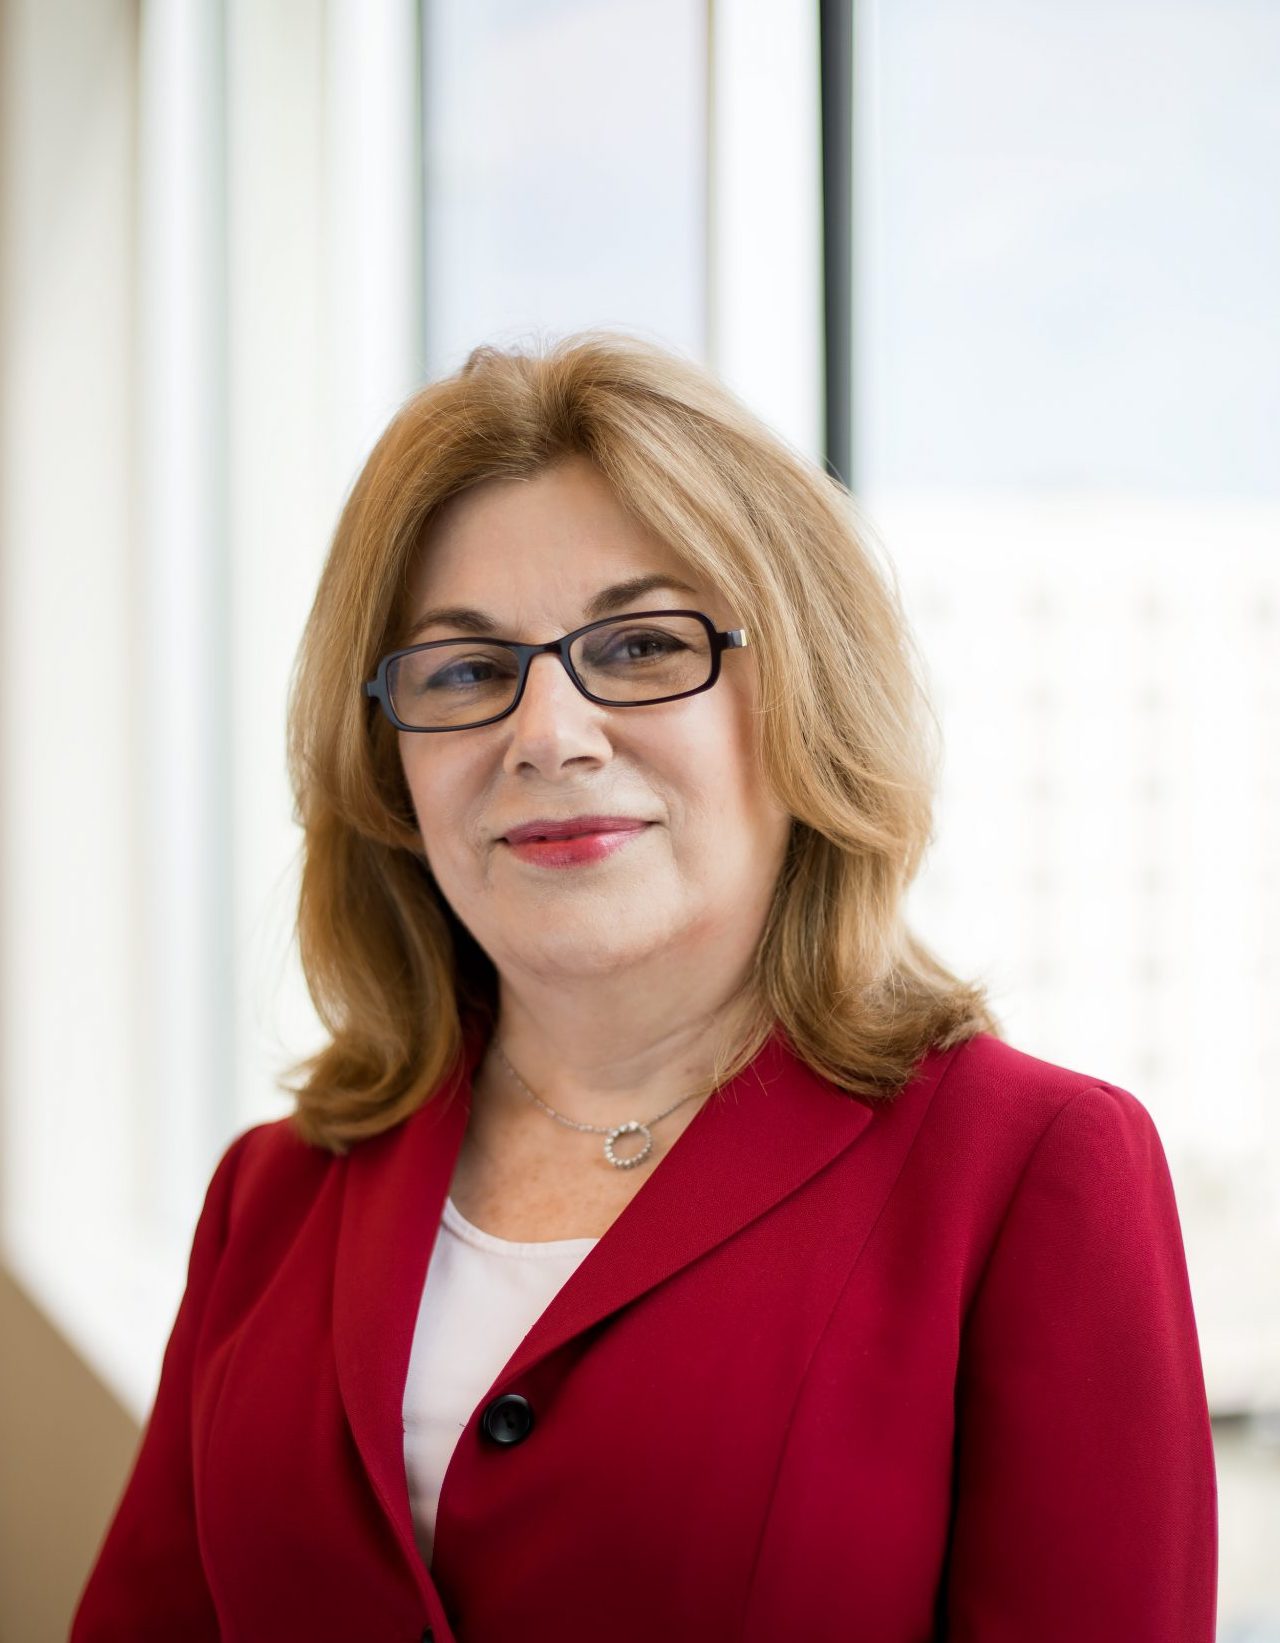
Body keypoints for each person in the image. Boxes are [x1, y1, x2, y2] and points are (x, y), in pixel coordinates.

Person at [70, 330, 1217, 1642]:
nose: (549, 737)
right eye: (465, 672)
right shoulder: (271, 1197)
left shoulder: (1030, 1170)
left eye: (641, 648)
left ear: (808, 696)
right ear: (388, 766)